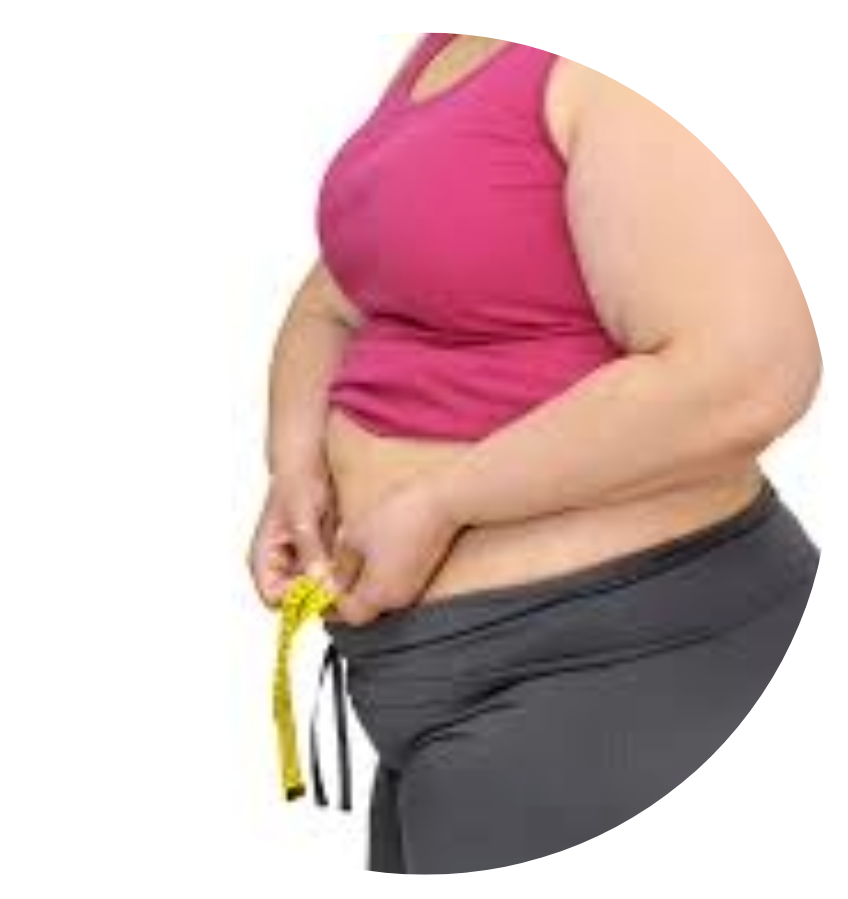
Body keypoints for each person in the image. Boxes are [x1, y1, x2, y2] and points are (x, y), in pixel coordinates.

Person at [248, 33, 823, 874]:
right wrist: (297, 467)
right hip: (453, 701)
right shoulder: (448, 52)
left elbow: (745, 376)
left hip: (613, 669)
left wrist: (443, 503)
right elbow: (338, 297)